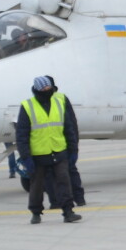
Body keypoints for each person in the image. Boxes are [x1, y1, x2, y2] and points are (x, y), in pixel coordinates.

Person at [14, 75, 82, 224]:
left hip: (59, 150)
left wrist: (73, 149)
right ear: (37, 90)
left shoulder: (59, 102)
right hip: (38, 154)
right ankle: (36, 212)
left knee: (64, 181)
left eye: (49, 88)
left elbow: (68, 127)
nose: (47, 90)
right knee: (37, 186)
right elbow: (22, 134)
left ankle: (68, 211)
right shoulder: (27, 106)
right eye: (44, 88)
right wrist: (26, 156)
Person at [37, 75, 86, 210]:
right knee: (66, 172)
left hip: (58, 144)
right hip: (55, 144)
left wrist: (73, 143)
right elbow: (72, 122)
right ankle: (77, 198)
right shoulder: (59, 98)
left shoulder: (58, 99)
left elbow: (70, 122)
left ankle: (64, 200)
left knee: (60, 173)